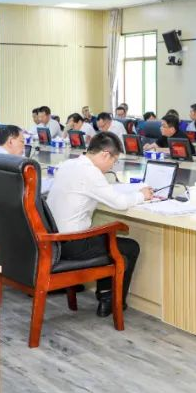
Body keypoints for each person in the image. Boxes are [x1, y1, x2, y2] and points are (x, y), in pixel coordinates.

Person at [47, 132, 149, 317]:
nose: (112, 166)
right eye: (114, 161)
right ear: (105, 154)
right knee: (129, 247)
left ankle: (105, 296)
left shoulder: (69, 164)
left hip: (53, 241)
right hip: (72, 245)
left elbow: (98, 190)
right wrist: (142, 195)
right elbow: (120, 203)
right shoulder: (91, 173)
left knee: (105, 240)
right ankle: (112, 302)